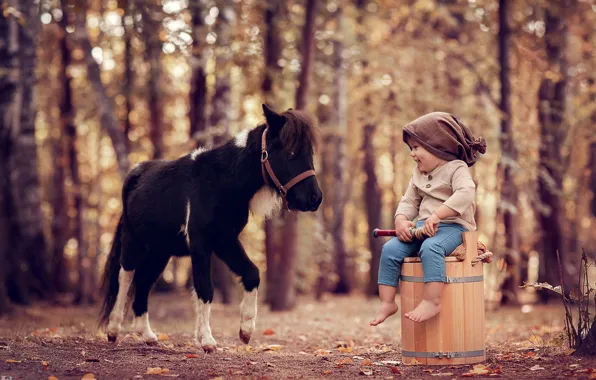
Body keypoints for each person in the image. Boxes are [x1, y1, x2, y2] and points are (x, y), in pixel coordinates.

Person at [369, 112, 486, 326]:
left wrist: (438, 214)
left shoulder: (456, 168)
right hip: (423, 227)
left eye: (416, 148)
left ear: (437, 146)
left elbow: (465, 193)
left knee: (431, 247)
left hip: (454, 228)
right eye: (410, 149)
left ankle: (432, 301)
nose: (412, 154)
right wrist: (401, 220)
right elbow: (409, 200)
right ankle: (387, 302)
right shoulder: (418, 173)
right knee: (390, 250)